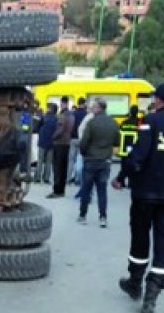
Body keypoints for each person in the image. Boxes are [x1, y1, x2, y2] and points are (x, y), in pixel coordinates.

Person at [113, 82, 164, 313]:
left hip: (146, 193)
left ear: (158, 99)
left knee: (140, 238)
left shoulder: (152, 121)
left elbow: (138, 156)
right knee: (163, 243)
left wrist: (121, 176)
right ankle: (152, 294)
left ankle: (135, 282)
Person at [76, 99, 119, 227]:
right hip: (105, 161)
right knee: (102, 190)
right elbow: (117, 141)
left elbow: (84, 141)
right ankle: (103, 217)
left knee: (86, 189)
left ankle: (83, 215)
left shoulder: (91, 123)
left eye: (94, 107)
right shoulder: (113, 123)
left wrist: (84, 153)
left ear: (99, 108)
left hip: (90, 160)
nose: (92, 109)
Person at [48, 97, 74, 198]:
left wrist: (53, 137)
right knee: (64, 168)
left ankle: (56, 191)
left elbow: (60, 130)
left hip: (59, 144)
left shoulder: (62, 115)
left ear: (63, 104)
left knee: (57, 168)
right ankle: (62, 190)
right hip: (67, 143)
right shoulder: (71, 115)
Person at [35, 102, 57, 184]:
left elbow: (37, 128)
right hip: (52, 142)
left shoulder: (43, 117)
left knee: (40, 160)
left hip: (42, 142)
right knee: (48, 161)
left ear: (49, 109)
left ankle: (37, 177)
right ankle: (46, 178)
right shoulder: (56, 119)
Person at [68, 97, 88, 184]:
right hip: (82, 139)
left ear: (78, 103)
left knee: (71, 159)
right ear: (84, 104)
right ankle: (77, 179)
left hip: (72, 139)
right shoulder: (87, 114)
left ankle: (68, 178)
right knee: (80, 159)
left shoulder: (73, 113)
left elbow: (70, 125)